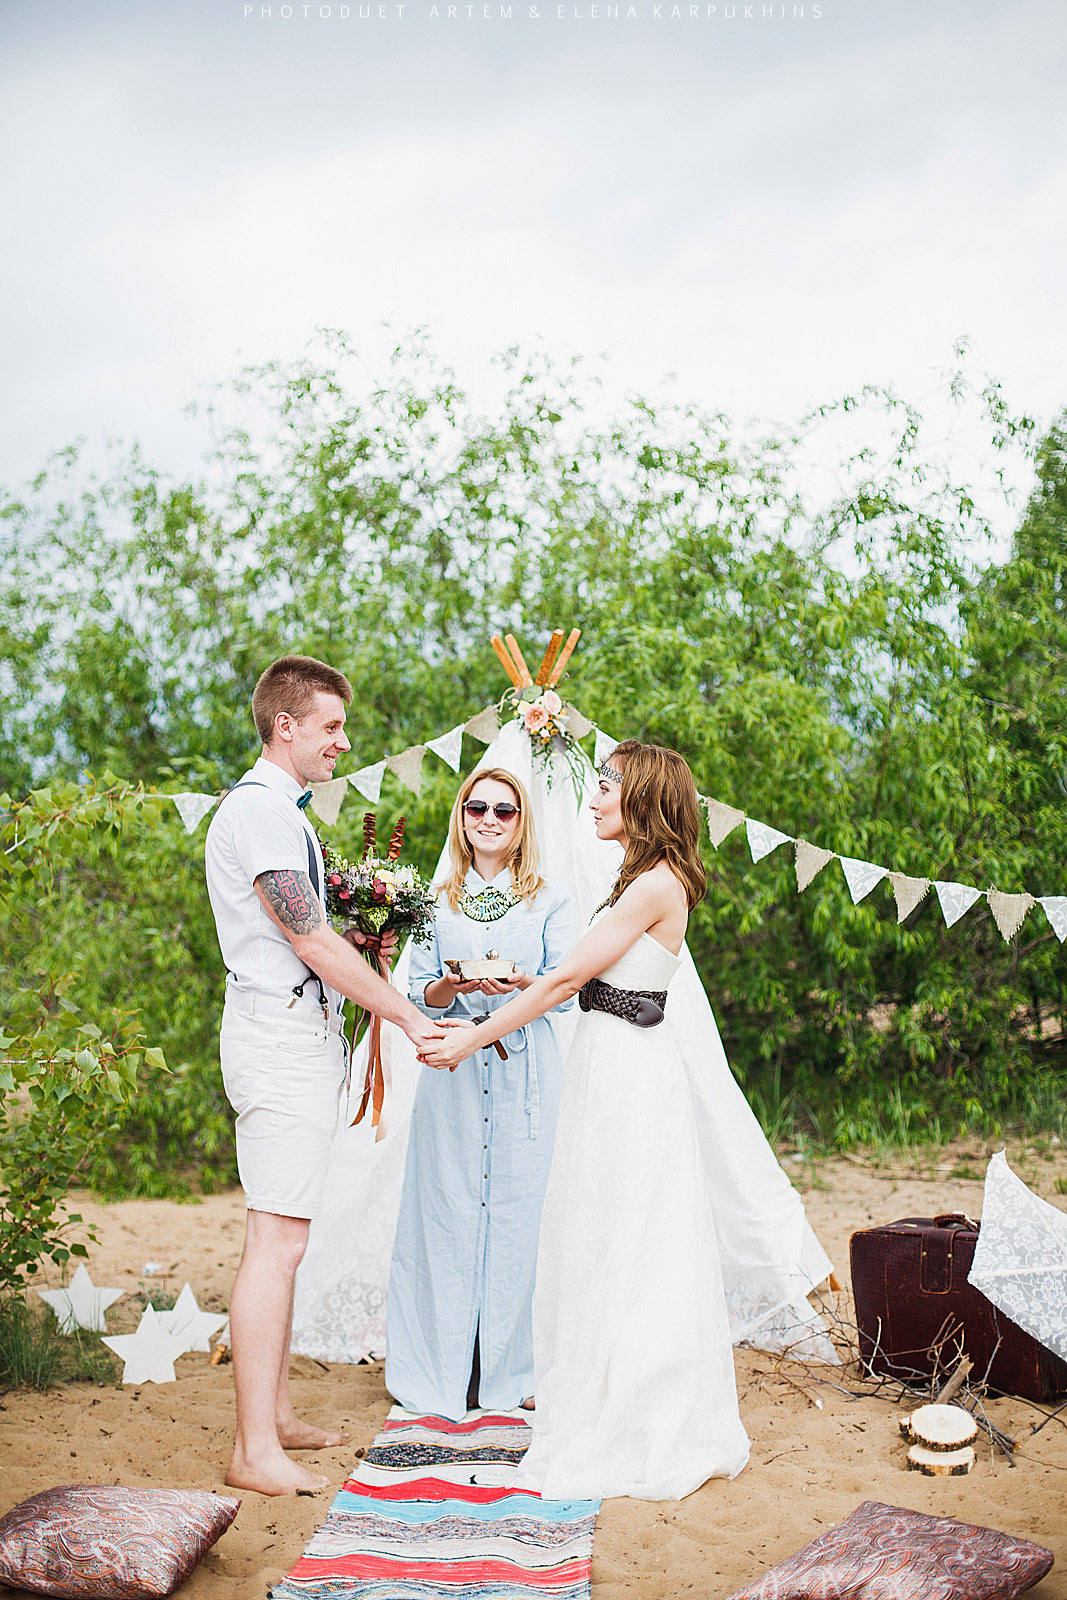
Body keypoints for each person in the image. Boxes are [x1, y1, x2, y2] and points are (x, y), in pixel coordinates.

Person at [419, 739, 751, 1500]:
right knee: (606, 1225)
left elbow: (571, 976)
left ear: (641, 799)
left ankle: (636, 1406)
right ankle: (602, 1385)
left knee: (627, 1228)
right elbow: (586, 978)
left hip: (632, 1072)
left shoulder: (652, 883)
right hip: (611, 1060)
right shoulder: (636, 879)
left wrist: (473, 1035)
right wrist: (528, 982)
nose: (593, 801)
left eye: (605, 788)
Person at [204, 654, 446, 1497]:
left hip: (298, 1036)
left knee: (282, 1234)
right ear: (286, 727)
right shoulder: (261, 815)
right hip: (276, 1038)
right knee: (279, 1240)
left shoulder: (283, 815)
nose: (344, 741)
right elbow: (306, 938)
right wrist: (408, 1015)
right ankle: (251, 1450)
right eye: (332, 726)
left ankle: (272, 1419)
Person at [386, 767, 576, 1421]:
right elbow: (419, 991)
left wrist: (520, 983)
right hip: (453, 1070)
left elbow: (562, 984)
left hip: (525, 1070)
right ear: (460, 817)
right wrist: (448, 984)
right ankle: (446, 1367)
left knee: (521, 1211)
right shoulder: (434, 900)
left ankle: (511, 1370)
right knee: (449, 1207)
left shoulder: (551, 898)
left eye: (504, 810)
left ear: (522, 822)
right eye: (476, 808)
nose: (489, 819)